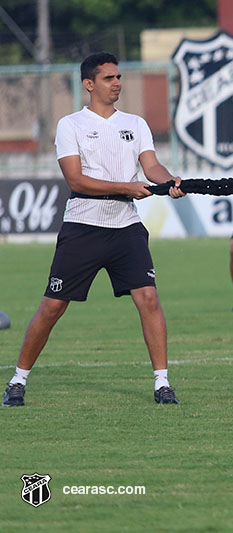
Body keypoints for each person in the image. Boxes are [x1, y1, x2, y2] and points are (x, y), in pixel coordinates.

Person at [2, 52, 185, 407]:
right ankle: (18, 380)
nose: (117, 83)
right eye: (108, 78)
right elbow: (77, 180)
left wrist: (170, 181)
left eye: (119, 77)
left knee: (148, 299)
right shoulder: (70, 125)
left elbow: (152, 166)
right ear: (89, 84)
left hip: (126, 227)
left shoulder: (136, 123)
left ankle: (162, 384)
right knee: (53, 307)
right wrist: (126, 187)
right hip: (83, 228)